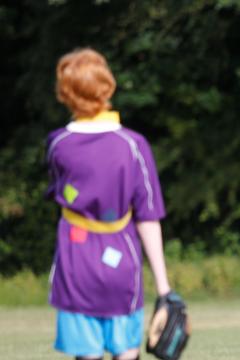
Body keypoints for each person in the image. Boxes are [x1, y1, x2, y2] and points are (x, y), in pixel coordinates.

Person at [46, 48, 172, 360]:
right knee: (126, 353)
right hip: (121, 263)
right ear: (108, 87)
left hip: (75, 262)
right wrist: (165, 289)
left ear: (65, 93)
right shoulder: (133, 145)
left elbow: (60, 191)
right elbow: (148, 217)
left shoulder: (58, 144)